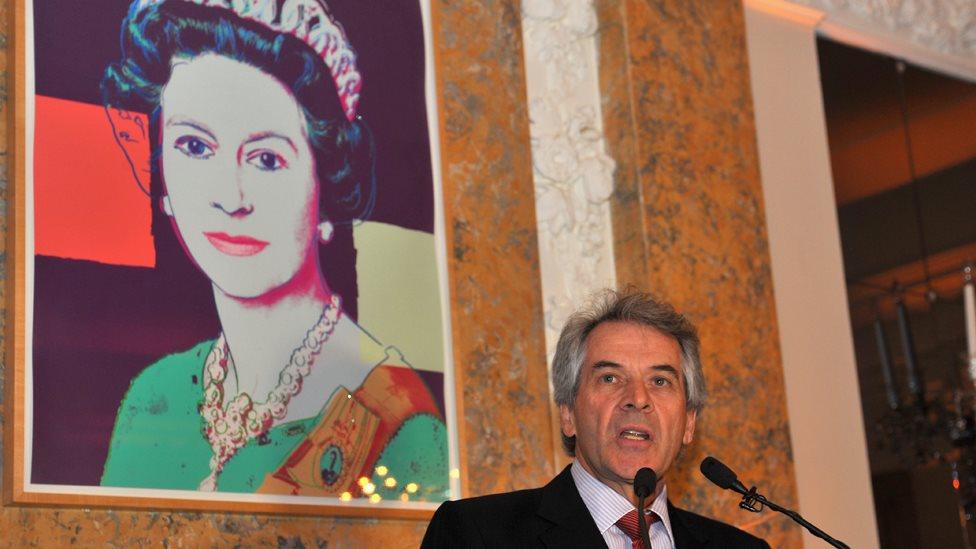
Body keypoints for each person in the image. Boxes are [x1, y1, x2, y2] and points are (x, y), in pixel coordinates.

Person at [97, 0, 448, 503]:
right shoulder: (152, 398)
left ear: (324, 184)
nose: (231, 198)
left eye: (266, 158)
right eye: (195, 147)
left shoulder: (400, 427)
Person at [422, 289, 769, 547]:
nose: (637, 399)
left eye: (660, 381)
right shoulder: (476, 535)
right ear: (568, 412)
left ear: (689, 421)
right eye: (610, 378)